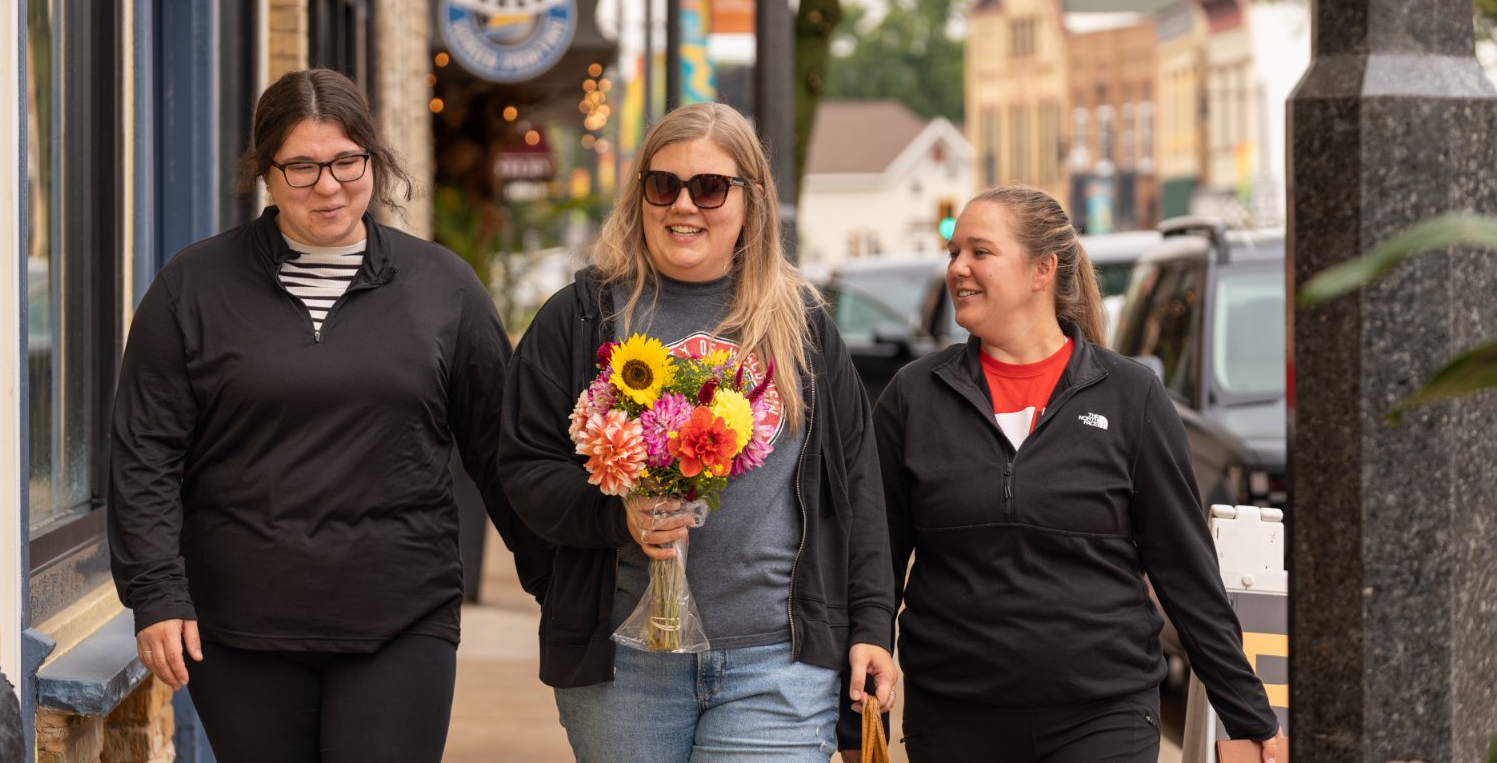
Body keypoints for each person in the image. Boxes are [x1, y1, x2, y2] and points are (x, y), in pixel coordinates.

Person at [108, 68, 551, 763]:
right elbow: (145, 452)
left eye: (347, 162)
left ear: (373, 159)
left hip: (403, 617)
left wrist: (557, 579)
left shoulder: (442, 288)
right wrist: (156, 593)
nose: (328, 185)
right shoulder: (192, 287)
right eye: (302, 167)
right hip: (241, 625)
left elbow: (502, 452)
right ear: (264, 171)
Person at [499, 102, 898, 762]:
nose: (684, 205)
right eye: (663, 185)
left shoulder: (800, 325)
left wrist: (871, 626)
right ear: (641, 198)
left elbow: (857, 490)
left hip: (778, 666)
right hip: (626, 669)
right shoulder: (583, 318)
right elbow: (524, 468)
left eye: (709, 187)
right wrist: (615, 518)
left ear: (752, 200)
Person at [874, 185, 1282, 763]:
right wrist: (853, 700)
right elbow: (876, 564)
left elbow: (1185, 571)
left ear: (1043, 269)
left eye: (980, 252)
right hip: (954, 720)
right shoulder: (914, 398)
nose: (958, 268)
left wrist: (1249, 717)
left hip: (1104, 719)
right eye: (954, 253)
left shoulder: (1131, 396)